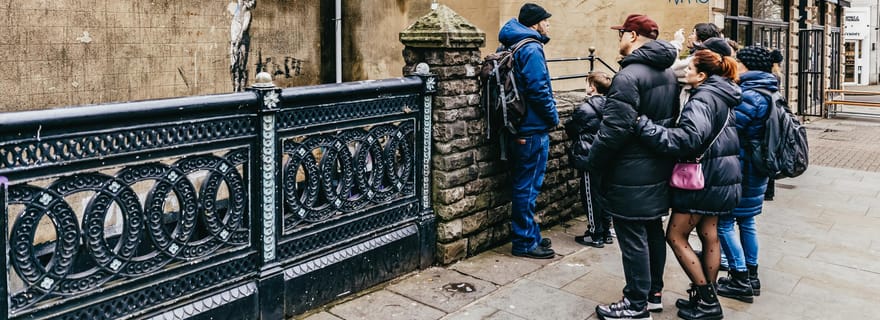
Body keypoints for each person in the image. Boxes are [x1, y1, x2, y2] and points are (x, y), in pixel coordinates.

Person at [636, 47, 742, 320]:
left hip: (703, 179)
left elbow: (687, 139)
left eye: (690, 69)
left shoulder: (702, 99)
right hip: (722, 176)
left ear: (703, 75)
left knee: (675, 235)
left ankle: (707, 300)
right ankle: (705, 297)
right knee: (710, 234)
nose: (685, 72)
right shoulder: (722, 93)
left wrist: (645, 126)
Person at [587, 14, 679, 319]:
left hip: (630, 170)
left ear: (634, 36)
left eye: (621, 33)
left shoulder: (628, 77)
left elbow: (614, 129)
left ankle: (635, 304)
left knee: (632, 236)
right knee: (652, 230)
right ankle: (653, 294)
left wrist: (594, 162)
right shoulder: (667, 73)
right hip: (657, 166)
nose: (620, 39)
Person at [716, 45, 784, 303]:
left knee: (724, 223)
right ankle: (751, 275)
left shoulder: (750, 95)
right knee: (747, 222)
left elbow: (732, 130)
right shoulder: (770, 90)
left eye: (738, 62)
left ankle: (740, 278)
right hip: (758, 168)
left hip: (743, 168)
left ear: (746, 66)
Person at [498, 3, 558, 259]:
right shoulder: (531, 48)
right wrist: (553, 117)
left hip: (517, 125)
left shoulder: (511, 44)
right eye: (545, 21)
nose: (548, 25)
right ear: (535, 23)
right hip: (531, 128)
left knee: (525, 184)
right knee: (527, 187)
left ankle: (530, 234)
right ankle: (524, 242)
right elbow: (539, 89)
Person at [565, 71, 614, 248]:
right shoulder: (612, 107)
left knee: (590, 196)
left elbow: (571, 128)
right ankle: (606, 231)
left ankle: (595, 234)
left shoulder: (585, 109)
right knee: (604, 194)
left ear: (592, 87)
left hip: (589, 156)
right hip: (608, 156)